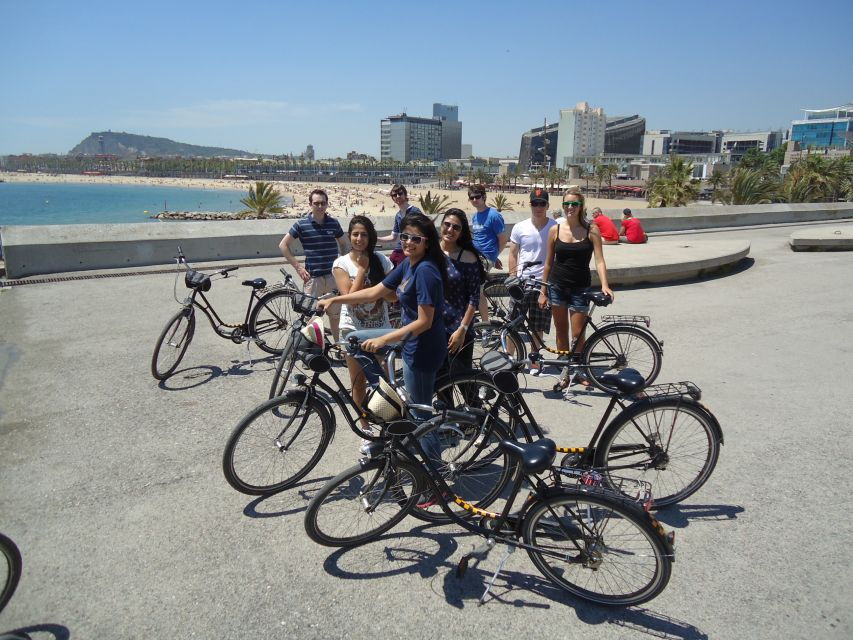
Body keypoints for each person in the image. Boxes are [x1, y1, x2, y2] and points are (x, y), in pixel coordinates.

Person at [318, 212, 447, 437]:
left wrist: (383, 339)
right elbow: (374, 293)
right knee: (353, 340)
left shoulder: (426, 271)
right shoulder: (408, 264)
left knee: (421, 421)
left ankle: (431, 458)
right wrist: (334, 300)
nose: (408, 242)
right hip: (410, 339)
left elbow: (424, 322)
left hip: (422, 348)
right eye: (405, 236)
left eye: (416, 239)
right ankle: (385, 392)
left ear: (427, 243)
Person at [539, 188, 614, 389]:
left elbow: (599, 260)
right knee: (561, 331)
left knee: (578, 333)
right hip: (557, 286)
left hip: (581, 288)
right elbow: (548, 263)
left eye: (574, 204)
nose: (570, 207)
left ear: (581, 207)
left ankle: (580, 369)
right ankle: (565, 371)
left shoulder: (592, 230)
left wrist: (605, 285)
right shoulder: (555, 230)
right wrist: (543, 291)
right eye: (566, 204)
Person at [331, 216, 395, 442]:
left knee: (383, 382)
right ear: (349, 236)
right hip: (352, 331)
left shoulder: (382, 261)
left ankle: (388, 423)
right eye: (355, 234)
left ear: (371, 237)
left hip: (380, 330)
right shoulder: (341, 264)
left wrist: (379, 285)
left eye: (364, 234)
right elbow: (351, 299)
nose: (359, 239)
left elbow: (393, 297)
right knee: (358, 382)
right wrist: (361, 270)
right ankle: (365, 426)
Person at [279, 188, 347, 341]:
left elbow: (344, 243)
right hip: (313, 279)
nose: (320, 206)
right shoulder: (301, 224)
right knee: (311, 318)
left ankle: (337, 346)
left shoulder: (334, 223)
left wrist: (342, 264)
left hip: (333, 278)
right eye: (316, 203)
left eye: (323, 203)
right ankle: (311, 350)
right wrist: (298, 267)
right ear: (310, 204)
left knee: (335, 316)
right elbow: (283, 245)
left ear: (327, 204)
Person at [508, 188, 557, 373]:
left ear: (547, 205)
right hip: (522, 283)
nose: (538, 207)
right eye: (535, 203)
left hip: (543, 284)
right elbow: (513, 254)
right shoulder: (520, 227)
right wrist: (513, 277)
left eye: (542, 203)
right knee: (512, 323)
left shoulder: (554, 227)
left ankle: (534, 361)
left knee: (538, 326)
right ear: (530, 205)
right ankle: (510, 358)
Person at [438, 208, 486, 374]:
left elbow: (474, 298)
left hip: (457, 328)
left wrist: (463, 329)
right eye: (447, 224)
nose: (450, 230)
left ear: (461, 232)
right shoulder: (430, 252)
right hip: (433, 327)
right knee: (439, 380)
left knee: (462, 377)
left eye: (456, 227)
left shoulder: (468, 258)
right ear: (441, 225)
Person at [468, 184, 507, 323]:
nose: (474, 200)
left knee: (477, 290)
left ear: (484, 196)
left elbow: (503, 240)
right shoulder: (475, 216)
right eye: (471, 198)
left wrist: (493, 257)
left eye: (477, 197)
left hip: (485, 258)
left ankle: (485, 326)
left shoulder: (494, 215)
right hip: (475, 256)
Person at [378, 184, 423, 266]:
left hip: (410, 249)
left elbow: (422, 232)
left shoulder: (415, 211)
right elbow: (393, 237)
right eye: (395, 195)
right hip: (399, 249)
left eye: (400, 193)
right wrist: (377, 239)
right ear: (393, 199)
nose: (397, 196)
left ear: (405, 195)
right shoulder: (398, 215)